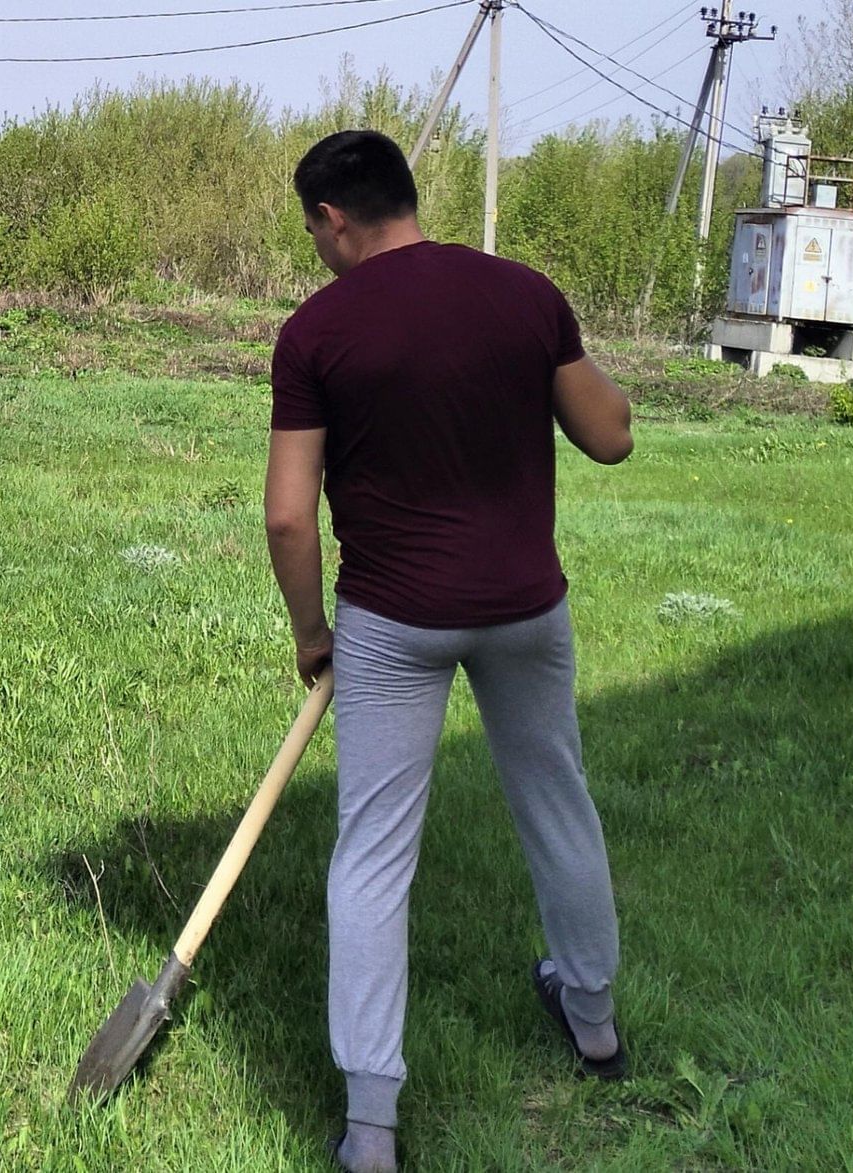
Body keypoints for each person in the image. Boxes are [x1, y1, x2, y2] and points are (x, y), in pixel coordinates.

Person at [263, 130, 635, 1173]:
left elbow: (288, 520)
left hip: (390, 620)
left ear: (334, 220)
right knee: (555, 798)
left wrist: (309, 634)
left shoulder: (316, 330)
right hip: (525, 608)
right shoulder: (525, 293)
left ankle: (371, 1126)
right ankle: (593, 1019)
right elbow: (607, 435)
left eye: (312, 232)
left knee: (374, 853)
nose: (315, 249)